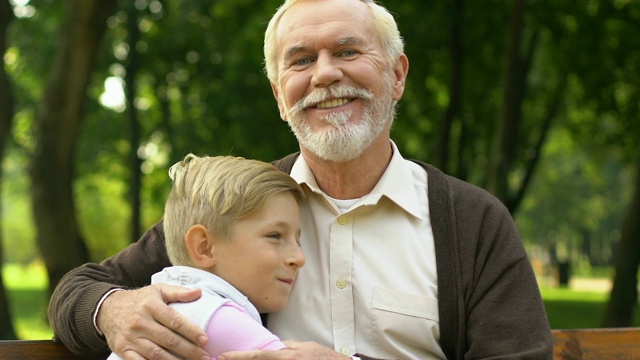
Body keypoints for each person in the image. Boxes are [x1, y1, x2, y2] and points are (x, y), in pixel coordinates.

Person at [48, 0, 554, 359]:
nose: (325, 74)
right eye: (302, 60)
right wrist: (115, 310)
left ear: (397, 75)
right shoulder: (236, 205)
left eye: (348, 51)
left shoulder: (472, 221)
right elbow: (78, 289)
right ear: (278, 94)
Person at [106, 154, 306, 359]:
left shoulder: (181, 307)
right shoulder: (217, 318)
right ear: (204, 247)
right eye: (274, 236)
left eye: (298, 241)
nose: (299, 258)